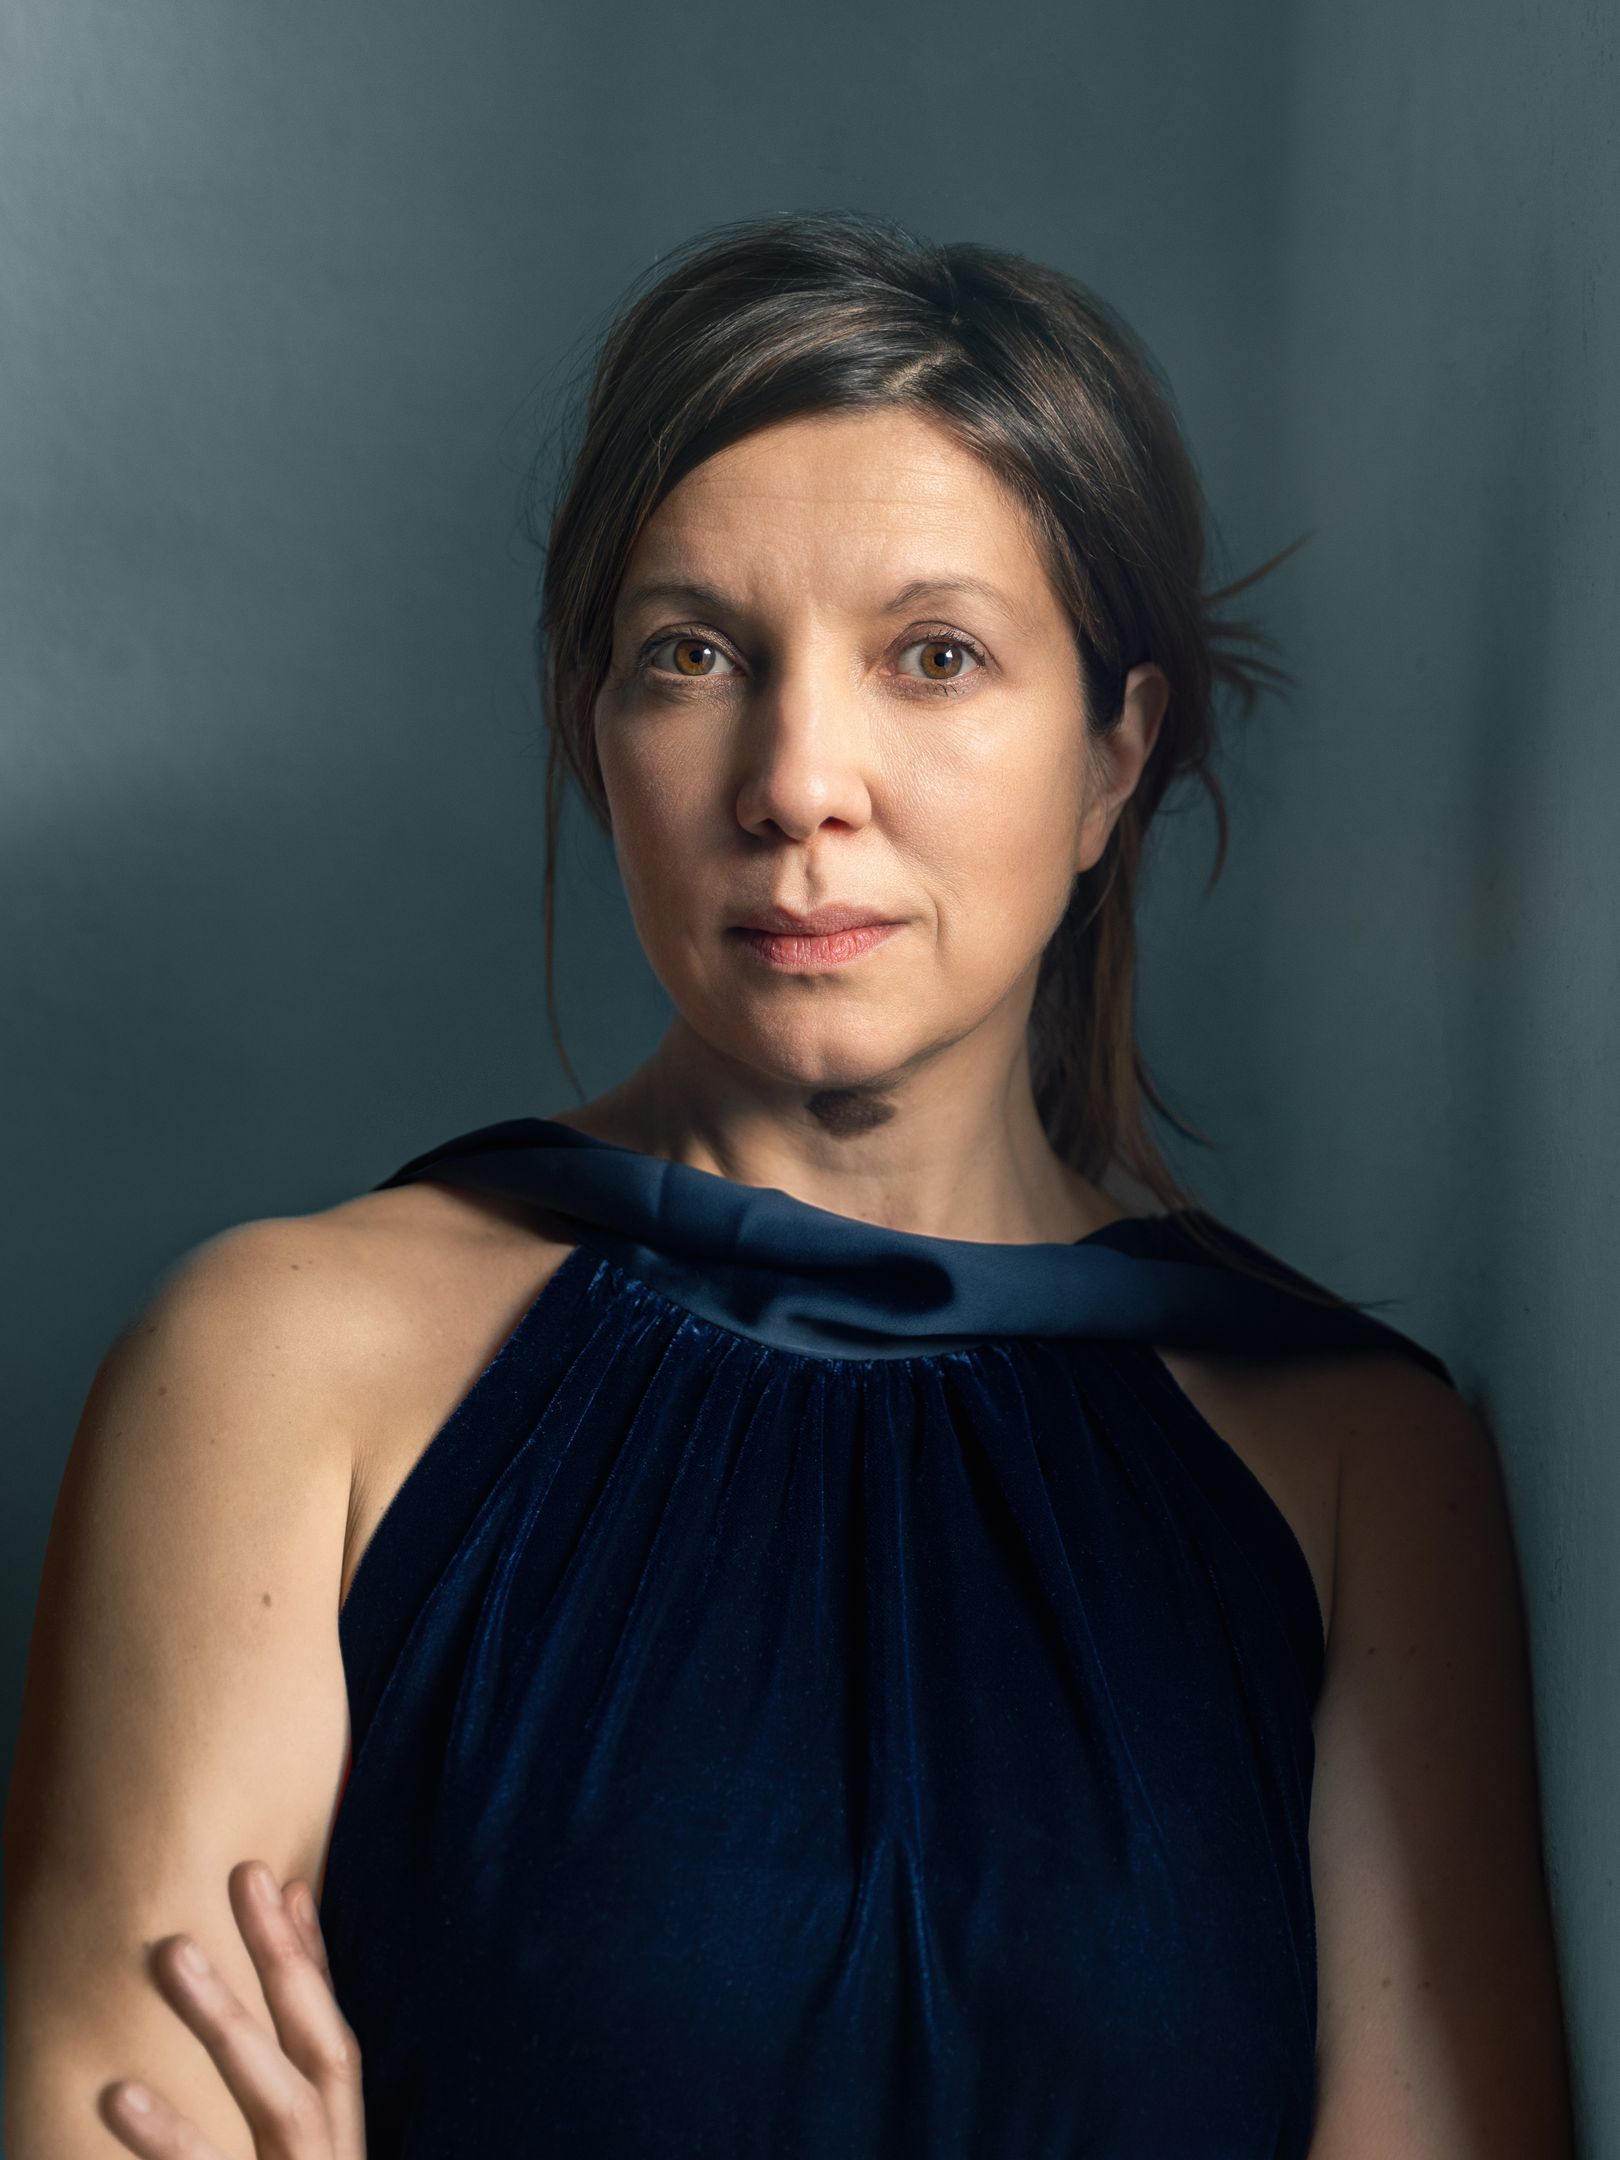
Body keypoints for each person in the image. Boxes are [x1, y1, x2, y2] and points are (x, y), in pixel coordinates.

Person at [4, 211, 1574, 2158]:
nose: (798, 779)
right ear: (598, 735)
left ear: (1114, 756)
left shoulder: (1356, 1468)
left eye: (935, 656)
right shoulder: (276, 1371)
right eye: (693, 655)